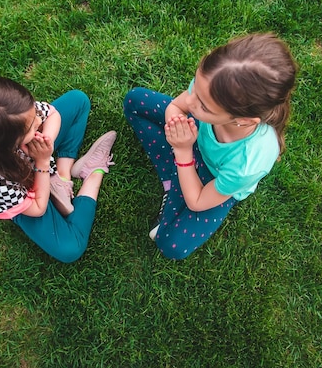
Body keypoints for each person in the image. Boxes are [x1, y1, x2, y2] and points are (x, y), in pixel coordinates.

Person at [123, 33, 297, 260]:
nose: (191, 101)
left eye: (204, 105)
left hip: (213, 181)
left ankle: (177, 176)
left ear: (242, 120)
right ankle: (174, 179)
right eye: (195, 87)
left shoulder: (248, 163)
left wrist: (183, 151)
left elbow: (196, 202)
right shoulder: (209, 89)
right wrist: (178, 127)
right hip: (191, 138)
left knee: (171, 244)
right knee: (135, 100)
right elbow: (176, 106)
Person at [0, 74, 116, 263]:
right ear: (4, 145)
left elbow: (52, 114)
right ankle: (94, 174)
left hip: (35, 157)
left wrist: (46, 141)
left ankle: (63, 175)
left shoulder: (15, 113)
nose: (38, 122)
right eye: (30, 128)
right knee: (70, 248)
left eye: (34, 113)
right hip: (29, 198)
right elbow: (37, 209)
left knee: (78, 100)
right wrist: (42, 163)